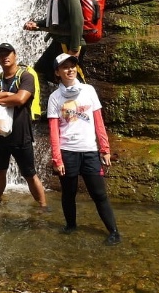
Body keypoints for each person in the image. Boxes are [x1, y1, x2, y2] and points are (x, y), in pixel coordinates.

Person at [48, 53, 121, 245]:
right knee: (68, 194)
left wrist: (104, 148)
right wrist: (57, 158)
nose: (70, 69)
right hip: (67, 151)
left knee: (99, 194)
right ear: (57, 72)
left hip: (89, 151)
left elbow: (99, 122)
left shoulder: (88, 90)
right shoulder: (55, 98)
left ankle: (114, 232)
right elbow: (54, 131)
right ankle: (71, 226)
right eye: (65, 67)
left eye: (73, 65)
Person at [0, 43, 47, 208]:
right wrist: (6, 94)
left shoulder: (26, 76)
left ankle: (43, 205)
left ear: (15, 55)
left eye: (8, 53)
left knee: (29, 173)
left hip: (20, 134)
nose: (5, 57)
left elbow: (20, 99)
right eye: (1, 54)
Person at [23, 0, 85, 83]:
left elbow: (78, 21)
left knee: (72, 77)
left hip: (69, 43)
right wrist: (37, 24)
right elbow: (55, 20)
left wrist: (74, 49)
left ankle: (86, 100)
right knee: (41, 70)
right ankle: (50, 100)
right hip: (59, 41)